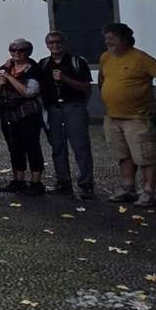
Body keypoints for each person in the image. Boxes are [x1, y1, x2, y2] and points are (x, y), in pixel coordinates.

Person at [98, 22, 156, 208]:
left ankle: (148, 192)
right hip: (113, 116)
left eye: (112, 38)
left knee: (145, 156)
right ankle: (128, 188)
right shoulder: (105, 58)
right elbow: (102, 79)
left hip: (137, 118)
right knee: (123, 155)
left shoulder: (141, 59)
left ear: (124, 39)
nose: (107, 41)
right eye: (106, 38)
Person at [39, 31, 95, 199]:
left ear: (65, 43)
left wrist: (65, 79)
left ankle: (86, 184)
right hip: (53, 109)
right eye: (51, 43)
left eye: (58, 42)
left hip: (73, 107)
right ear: (47, 45)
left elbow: (87, 87)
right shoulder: (44, 64)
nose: (55, 45)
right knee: (57, 147)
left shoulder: (77, 62)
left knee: (81, 147)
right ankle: (63, 183)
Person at [0, 38, 46, 195]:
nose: (16, 53)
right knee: (14, 147)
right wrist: (1, 82)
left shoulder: (33, 69)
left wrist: (10, 78)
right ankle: (18, 180)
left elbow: (29, 92)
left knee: (32, 146)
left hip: (28, 114)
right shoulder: (4, 67)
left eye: (20, 50)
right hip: (8, 114)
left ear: (28, 52)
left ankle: (36, 182)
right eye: (13, 50)